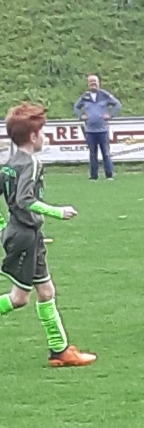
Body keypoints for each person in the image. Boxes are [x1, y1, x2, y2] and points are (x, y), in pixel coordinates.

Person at [0, 103, 96, 367]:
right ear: (32, 136)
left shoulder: (10, 163)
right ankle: (60, 350)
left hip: (27, 234)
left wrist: (2, 226)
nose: (45, 137)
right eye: (42, 132)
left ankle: (60, 350)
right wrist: (57, 211)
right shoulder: (30, 163)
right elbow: (24, 199)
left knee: (45, 291)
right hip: (24, 236)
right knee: (19, 298)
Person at [72, 75, 122, 181]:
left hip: (103, 130)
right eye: (91, 82)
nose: (93, 84)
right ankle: (93, 176)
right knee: (92, 154)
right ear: (88, 84)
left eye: (94, 81)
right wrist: (80, 116)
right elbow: (76, 107)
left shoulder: (104, 95)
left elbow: (117, 104)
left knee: (106, 153)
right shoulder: (85, 96)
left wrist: (110, 115)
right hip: (90, 131)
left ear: (98, 83)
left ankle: (109, 175)